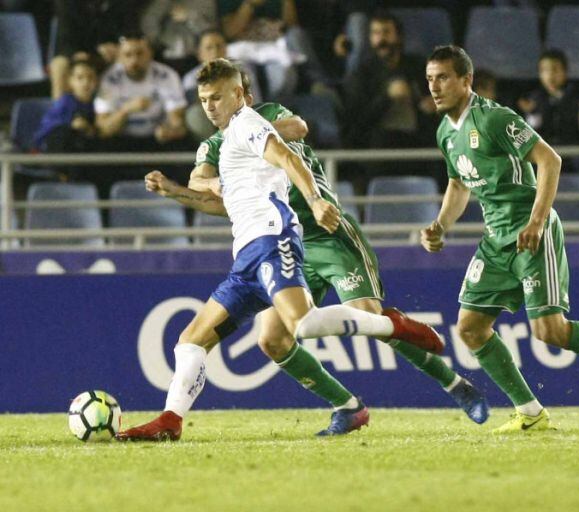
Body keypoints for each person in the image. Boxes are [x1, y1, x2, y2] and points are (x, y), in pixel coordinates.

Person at [138, 69, 490, 435]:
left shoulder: (264, 117)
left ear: (242, 94)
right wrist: (192, 186)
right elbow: (209, 191)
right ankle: (348, 407)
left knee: (366, 316)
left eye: (221, 96)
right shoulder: (217, 146)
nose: (212, 106)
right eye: (205, 99)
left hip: (326, 232)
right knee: (272, 339)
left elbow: (298, 129)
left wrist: (261, 144)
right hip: (277, 243)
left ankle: (455, 386)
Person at [421, 46, 579, 433]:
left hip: (533, 233)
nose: (434, 86)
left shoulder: (495, 118)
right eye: (430, 79)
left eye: (443, 77)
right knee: (470, 327)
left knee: (549, 331)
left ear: (466, 81)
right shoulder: (444, 132)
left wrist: (536, 221)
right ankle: (530, 411)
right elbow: (457, 183)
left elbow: (550, 160)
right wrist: (441, 224)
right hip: (496, 239)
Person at [342, 10, 436, 149]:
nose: (381, 39)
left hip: (418, 139)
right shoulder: (362, 73)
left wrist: (433, 105)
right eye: (376, 33)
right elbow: (357, 122)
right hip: (378, 143)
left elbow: (434, 100)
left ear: (399, 36)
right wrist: (387, 97)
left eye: (386, 32)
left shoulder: (418, 66)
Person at [95, 32, 189, 152]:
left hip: (157, 139)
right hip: (122, 139)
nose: (134, 60)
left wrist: (169, 131)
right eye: (128, 55)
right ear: (119, 57)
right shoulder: (110, 79)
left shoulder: (166, 75)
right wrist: (126, 110)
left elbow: (178, 121)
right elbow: (104, 130)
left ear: (150, 54)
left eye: (140, 53)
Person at [517, 49, 579, 174]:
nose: (550, 75)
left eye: (555, 70)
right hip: (544, 149)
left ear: (565, 72)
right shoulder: (533, 98)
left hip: (572, 149)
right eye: (544, 70)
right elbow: (530, 133)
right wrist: (531, 114)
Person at [182, 30, 261, 140]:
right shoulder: (190, 79)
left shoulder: (243, 73)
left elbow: (254, 103)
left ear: (226, 49)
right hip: (210, 125)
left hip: (240, 123)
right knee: (194, 115)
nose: (215, 51)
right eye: (209, 48)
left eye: (219, 46)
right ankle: (212, 150)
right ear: (200, 53)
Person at [35, 57, 99, 153]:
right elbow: (50, 131)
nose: (86, 83)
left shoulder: (99, 104)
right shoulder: (65, 102)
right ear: (70, 81)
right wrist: (72, 125)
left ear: (97, 81)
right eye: (80, 78)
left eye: (90, 77)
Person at [140, 0, 218, 74]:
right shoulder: (162, 2)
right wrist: (159, 43)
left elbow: (210, 31)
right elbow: (148, 24)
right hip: (166, 56)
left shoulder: (205, 2)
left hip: (195, 57)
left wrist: (189, 16)